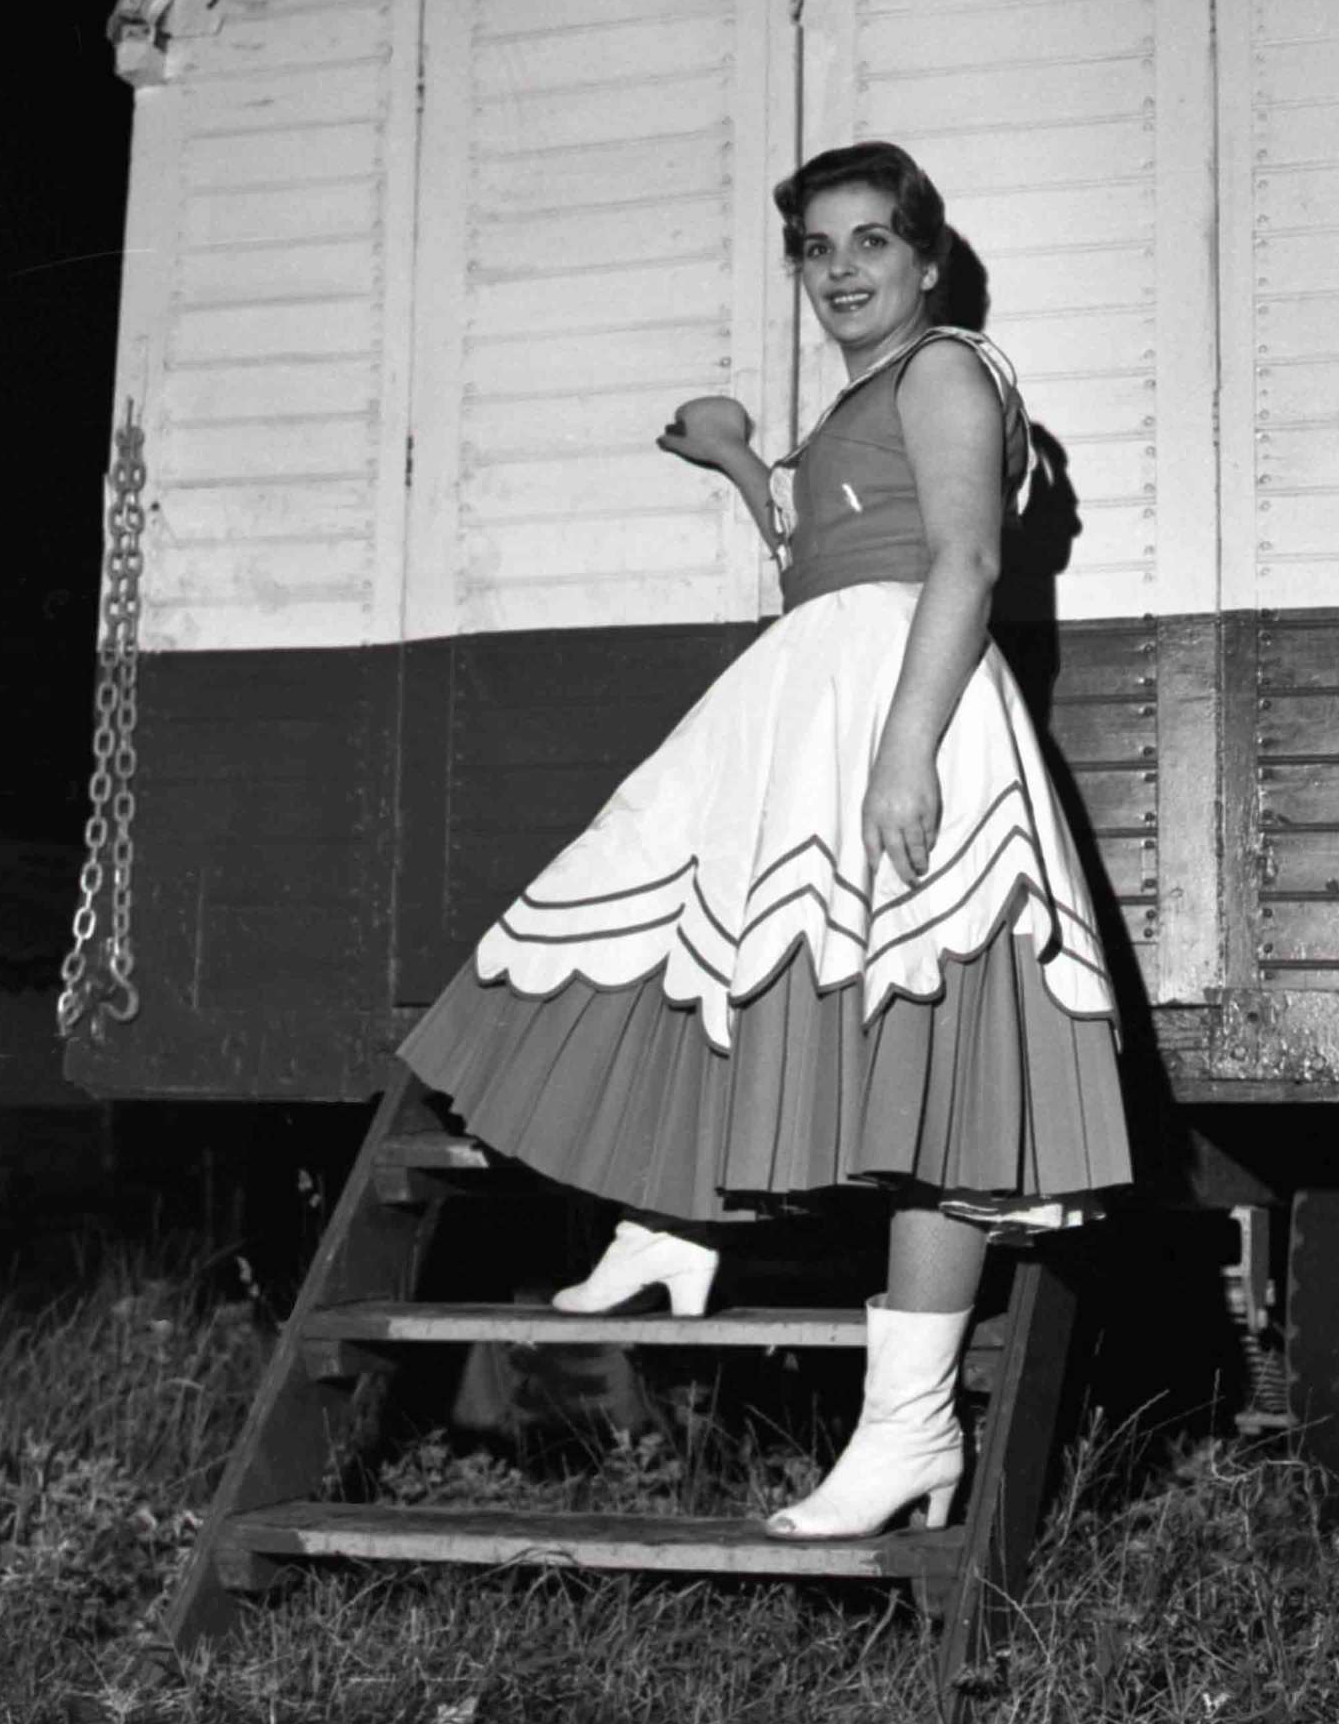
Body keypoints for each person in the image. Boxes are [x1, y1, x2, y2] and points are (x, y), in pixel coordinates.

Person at [398, 141, 1132, 1539]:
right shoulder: (869, 394)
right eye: (816, 248)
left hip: (900, 705)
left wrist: (907, 751)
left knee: (929, 1067)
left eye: (870, 241)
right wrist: (740, 456)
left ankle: (907, 1430)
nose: (841, 269)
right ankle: (678, 1224)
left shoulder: (946, 370)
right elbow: (819, 547)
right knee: (699, 936)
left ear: (927, 259)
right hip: (822, 695)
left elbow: (964, 560)